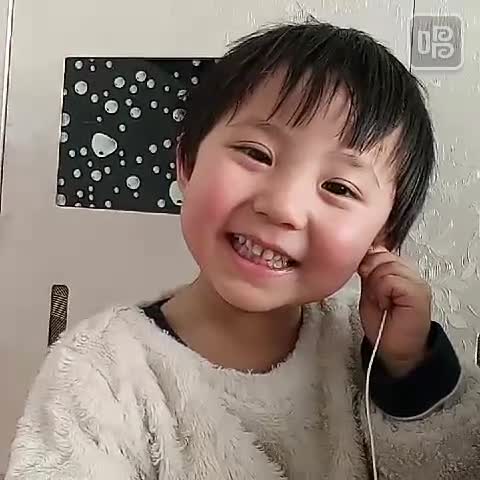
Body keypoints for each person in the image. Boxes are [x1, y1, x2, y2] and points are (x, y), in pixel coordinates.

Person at [6, 20, 480, 480]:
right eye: (256, 154)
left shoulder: (369, 352)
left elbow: (449, 464)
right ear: (187, 163)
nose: (282, 207)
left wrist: (409, 368)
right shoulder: (100, 371)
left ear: (381, 238)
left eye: (338, 187)